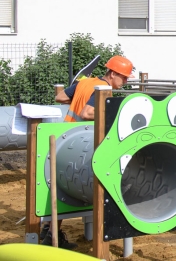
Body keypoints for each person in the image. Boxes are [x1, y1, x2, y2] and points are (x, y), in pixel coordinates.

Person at [46, 55, 134, 248]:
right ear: (112, 74)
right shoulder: (104, 89)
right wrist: (114, 112)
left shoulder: (85, 83)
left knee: (60, 187)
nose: (126, 81)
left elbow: (60, 97)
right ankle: (53, 234)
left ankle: (50, 231)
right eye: (124, 77)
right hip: (81, 140)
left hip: (65, 136)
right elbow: (87, 113)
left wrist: (78, 89)